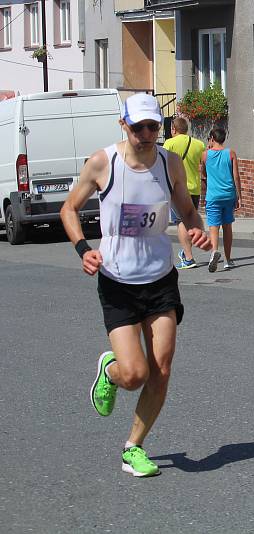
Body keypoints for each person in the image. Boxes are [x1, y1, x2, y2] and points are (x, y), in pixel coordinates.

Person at [60, 93, 212, 478]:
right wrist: (83, 249)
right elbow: (69, 209)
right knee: (135, 374)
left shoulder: (169, 162)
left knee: (161, 368)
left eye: (153, 127)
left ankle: (133, 447)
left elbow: (187, 209)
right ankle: (111, 371)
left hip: (160, 278)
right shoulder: (102, 163)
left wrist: (198, 228)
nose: (146, 134)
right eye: (138, 127)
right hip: (117, 282)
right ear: (123, 125)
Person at [163, 117, 206, 269]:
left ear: (173, 129)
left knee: (180, 221)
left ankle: (188, 258)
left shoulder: (169, 143)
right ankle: (187, 251)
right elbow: (203, 165)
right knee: (189, 220)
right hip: (194, 188)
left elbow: (164, 164)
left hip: (177, 188)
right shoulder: (199, 144)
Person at [200, 128, 242, 272]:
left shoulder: (205, 155)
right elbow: (236, 176)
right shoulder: (231, 153)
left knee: (213, 226)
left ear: (212, 138)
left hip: (213, 196)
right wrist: (239, 195)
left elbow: (203, 175)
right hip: (228, 195)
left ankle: (214, 253)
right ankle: (228, 259)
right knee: (227, 226)